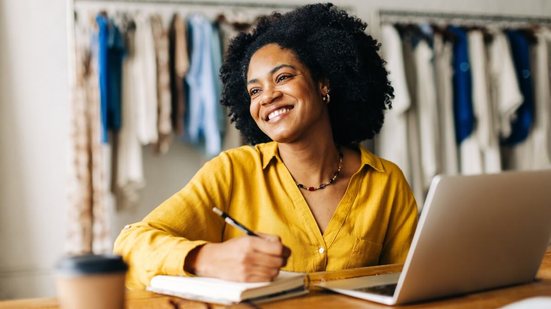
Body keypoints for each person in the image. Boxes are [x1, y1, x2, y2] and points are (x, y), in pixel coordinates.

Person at [114, 3, 418, 290]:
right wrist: (208, 258)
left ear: (323, 83)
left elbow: (410, 285)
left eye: (283, 77)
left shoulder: (386, 182)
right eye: (254, 90)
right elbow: (129, 247)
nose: (266, 97)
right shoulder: (232, 172)